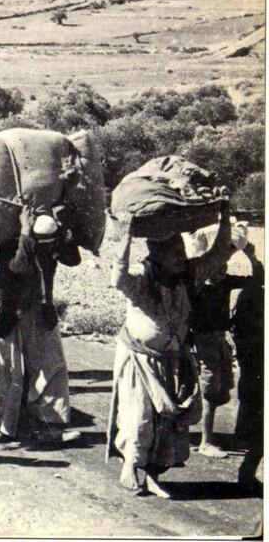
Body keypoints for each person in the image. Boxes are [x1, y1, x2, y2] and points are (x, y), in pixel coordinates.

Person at [107, 204, 232, 499]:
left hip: (173, 362)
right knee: (139, 419)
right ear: (157, 254)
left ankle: (151, 476)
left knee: (166, 426)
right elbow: (117, 277)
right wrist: (124, 236)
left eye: (182, 251)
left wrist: (225, 219)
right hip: (140, 361)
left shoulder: (187, 275)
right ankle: (131, 468)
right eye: (174, 252)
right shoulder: (141, 279)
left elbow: (218, 255)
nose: (182, 257)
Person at [0, 217, 79, 445]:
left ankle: (51, 426)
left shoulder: (52, 245)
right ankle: (6, 427)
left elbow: (72, 259)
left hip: (41, 313)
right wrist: (25, 235)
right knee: (12, 371)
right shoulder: (9, 243)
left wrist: (68, 235)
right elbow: (19, 266)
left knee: (51, 367)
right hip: (11, 315)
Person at [187, 236, 248, 459]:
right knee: (210, 392)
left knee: (220, 392)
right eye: (217, 266)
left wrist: (247, 251)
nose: (222, 270)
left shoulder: (225, 281)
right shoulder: (197, 287)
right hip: (203, 343)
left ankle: (189, 432)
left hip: (219, 341)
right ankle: (205, 442)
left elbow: (257, 277)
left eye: (224, 266)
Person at [231, 242, 264, 490]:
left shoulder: (254, 292)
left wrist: (251, 255)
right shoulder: (254, 295)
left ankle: (247, 471)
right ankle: (246, 472)